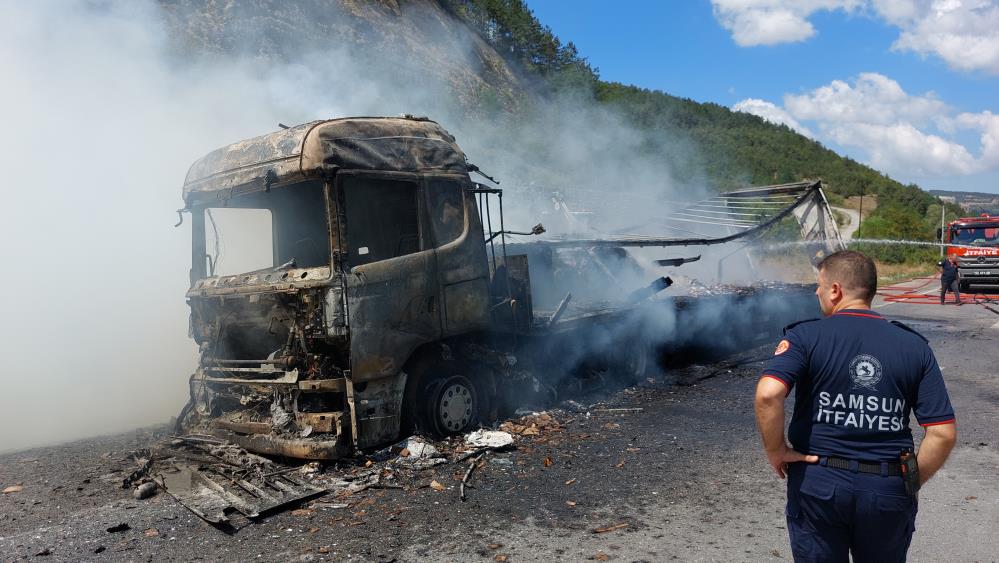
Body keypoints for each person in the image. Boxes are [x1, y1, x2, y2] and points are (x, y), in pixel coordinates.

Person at [755, 250, 956, 562]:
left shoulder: (806, 336)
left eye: (820, 286)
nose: (817, 292)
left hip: (818, 481)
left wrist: (776, 451)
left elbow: (768, 395)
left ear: (835, 290)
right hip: (887, 486)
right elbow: (942, 433)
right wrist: (909, 483)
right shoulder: (914, 346)